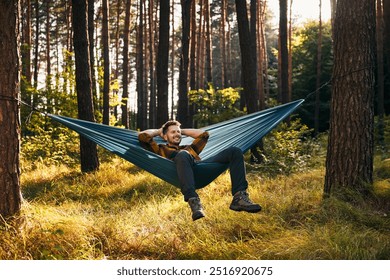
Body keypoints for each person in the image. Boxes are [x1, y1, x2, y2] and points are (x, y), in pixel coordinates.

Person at [138, 120, 261, 221]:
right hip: (182, 172)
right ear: (165, 136)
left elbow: (204, 135)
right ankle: (194, 202)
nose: (177, 134)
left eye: (178, 132)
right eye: (172, 132)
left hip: (200, 167)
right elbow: (143, 136)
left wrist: (180, 130)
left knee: (234, 151)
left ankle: (239, 198)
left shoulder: (188, 148)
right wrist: (160, 131)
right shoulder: (160, 149)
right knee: (182, 155)